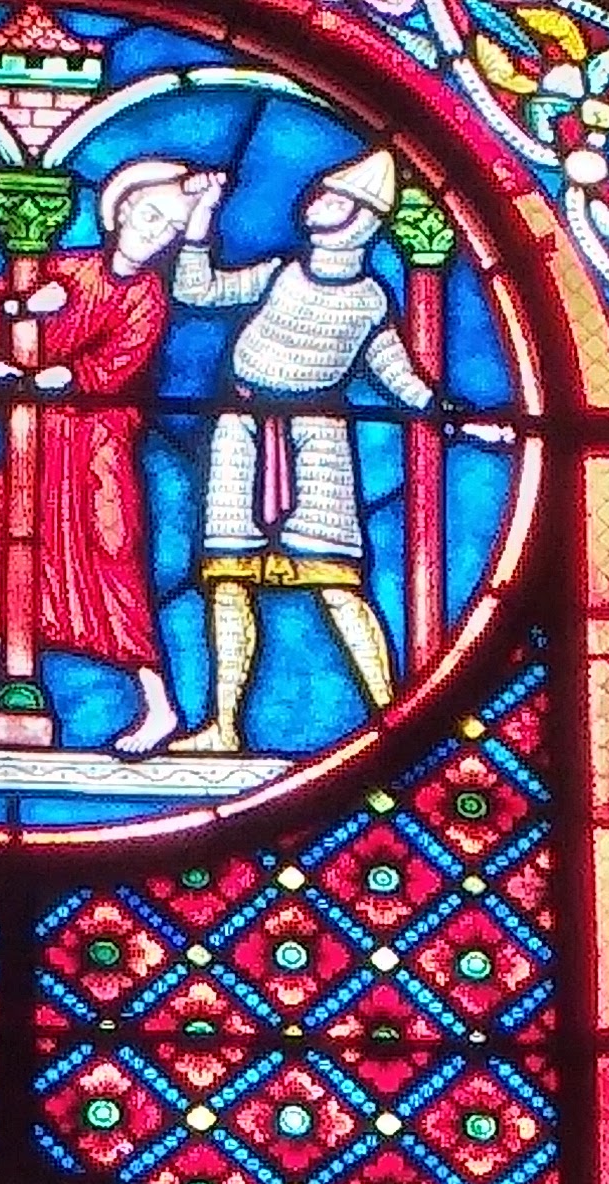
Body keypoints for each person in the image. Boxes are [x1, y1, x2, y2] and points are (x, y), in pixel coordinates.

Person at [173, 149, 434, 752]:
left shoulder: (371, 301)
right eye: (321, 193)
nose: (316, 203)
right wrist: (201, 219)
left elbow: (397, 375)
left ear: (361, 219)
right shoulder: (278, 274)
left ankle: (391, 716)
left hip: (318, 440)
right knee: (227, 578)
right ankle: (223, 727)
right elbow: (197, 290)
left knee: (336, 580)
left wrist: (450, 412)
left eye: (334, 197)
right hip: (240, 429)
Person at [0, 158, 196, 754]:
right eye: (150, 215)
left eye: (169, 228)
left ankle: (159, 707)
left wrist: (52, 373)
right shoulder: (62, 268)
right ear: (120, 211)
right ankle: (12, 680)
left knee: (111, 570)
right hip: (31, 444)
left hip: (95, 450)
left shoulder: (147, 296)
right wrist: (21, 312)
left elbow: (113, 366)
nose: (155, 232)